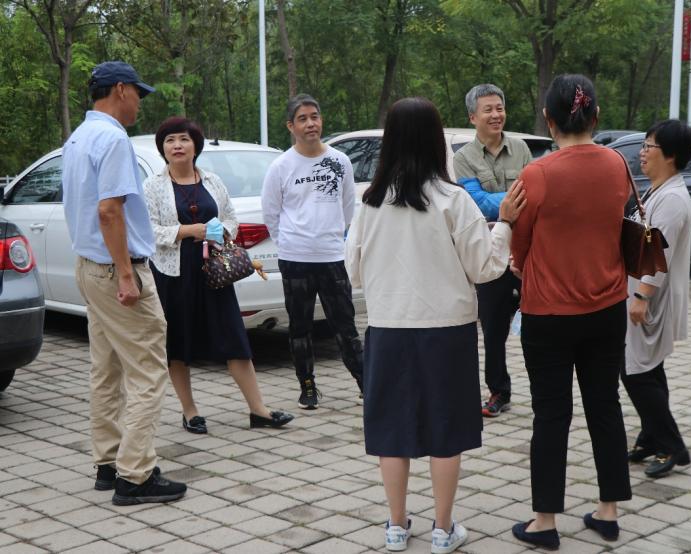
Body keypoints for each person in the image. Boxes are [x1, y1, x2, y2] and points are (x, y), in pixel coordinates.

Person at [346, 97, 526, 554]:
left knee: (391, 431)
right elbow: (485, 267)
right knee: (446, 430)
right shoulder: (453, 200)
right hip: (447, 330)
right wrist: (504, 224)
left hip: (388, 327)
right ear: (435, 141)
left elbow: (353, 271)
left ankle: (395, 525)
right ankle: (443, 530)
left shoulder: (370, 203)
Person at [509, 74, 631, 549]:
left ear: (548, 119)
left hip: (548, 313)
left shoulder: (537, 174)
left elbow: (520, 245)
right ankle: (608, 511)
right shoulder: (617, 163)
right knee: (605, 405)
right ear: (595, 116)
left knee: (551, 414)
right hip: (607, 305)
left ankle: (545, 521)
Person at [62, 61, 186, 506]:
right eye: (138, 93)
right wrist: (128, 274)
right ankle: (135, 475)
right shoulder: (113, 139)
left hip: (89, 267)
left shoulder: (78, 138)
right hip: (117, 271)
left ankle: (108, 462)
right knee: (149, 369)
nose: (139, 102)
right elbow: (109, 211)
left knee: (106, 369)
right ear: (120, 90)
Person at [143, 116, 294, 434]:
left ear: (195, 145)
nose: (177, 145)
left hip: (215, 272)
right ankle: (190, 411)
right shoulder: (153, 186)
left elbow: (231, 219)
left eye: (183, 139)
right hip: (173, 274)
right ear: (163, 149)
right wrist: (189, 231)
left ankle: (259, 410)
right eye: (170, 140)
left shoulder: (212, 180)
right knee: (178, 343)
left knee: (234, 336)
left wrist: (220, 230)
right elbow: (149, 231)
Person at [261, 94, 363, 410]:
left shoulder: (340, 161)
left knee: (345, 326)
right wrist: (289, 244)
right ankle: (307, 387)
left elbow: (348, 208)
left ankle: (366, 383)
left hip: (332, 257)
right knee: (300, 327)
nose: (310, 124)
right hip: (295, 260)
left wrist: (331, 236)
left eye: (314, 117)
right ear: (290, 126)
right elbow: (271, 213)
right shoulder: (281, 166)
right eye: (302, 119)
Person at [622, 119, 691, 478]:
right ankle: (650, 437)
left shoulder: (671, 200)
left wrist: (641, 296)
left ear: (670, 155)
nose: (642, 153)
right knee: (649, 369)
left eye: (649, 146)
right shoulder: (659, 191)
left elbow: (658, 255)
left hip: (649, 298)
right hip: (640, 292)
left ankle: (672, 445)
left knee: (636, 372)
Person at [453, 84, 532, 418]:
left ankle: (544, 388)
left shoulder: (522, 149)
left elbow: (533, 196)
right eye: (488, 109)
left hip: (526, 253)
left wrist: (497, 201)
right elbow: (476, 204)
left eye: (499, 108)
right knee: (493, 330)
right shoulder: (463, 158)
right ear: (473, 117)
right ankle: (499, 391)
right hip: (489, 255)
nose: (496, 114)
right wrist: (512, 198)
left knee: (537, 326)